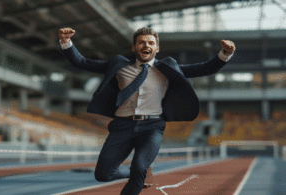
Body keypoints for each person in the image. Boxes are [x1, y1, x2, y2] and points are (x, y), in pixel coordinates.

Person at [59, 27, 235, 195]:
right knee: (103, 175)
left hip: (152, 126)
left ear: (157, 48)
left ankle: (138, 173)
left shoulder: (167, 68)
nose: (146, 45)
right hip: (122, 125)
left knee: (140, 168)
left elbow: (205, 68)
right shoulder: (119, 65)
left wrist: (225, 54)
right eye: (142, 42)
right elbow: (81, 62)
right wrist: (66, 41)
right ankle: (131, 173)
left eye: (151, 43)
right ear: (134, 47)